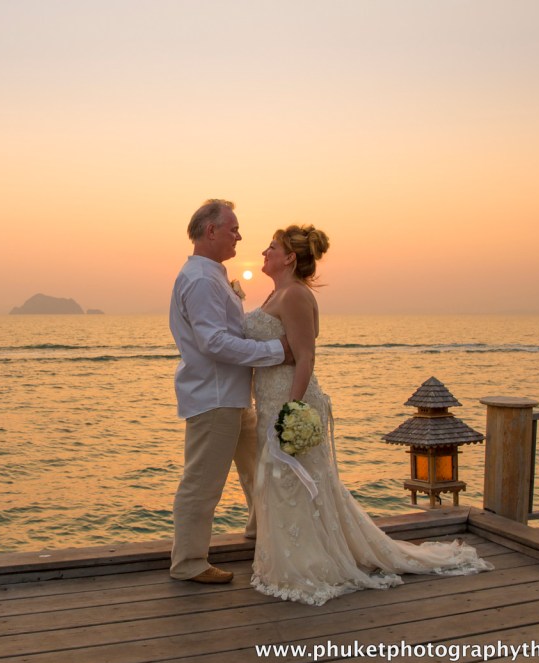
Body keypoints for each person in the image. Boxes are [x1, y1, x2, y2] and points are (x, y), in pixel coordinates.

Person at [244, 224, 493, 605]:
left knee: (294, 481)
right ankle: (293, 556)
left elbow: (306, 355)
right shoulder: (276, 292)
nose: (264, 252)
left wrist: (292, 409)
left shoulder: (294, 294)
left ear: (290, 257)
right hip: (270, 401)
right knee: (283, 483)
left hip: (287, 403)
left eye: (272, 247)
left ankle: (309, 564)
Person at [168, 199, 292, 584]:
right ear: (211, 231)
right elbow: (214, 343)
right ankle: (188, 563)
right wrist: (276, 351)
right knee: (203, 483)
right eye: (233, 228)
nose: (239, 234)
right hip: (215, 397)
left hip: (235, 398)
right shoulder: (203, 280)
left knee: (259, 469)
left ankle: (259, 534)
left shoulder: (213, 276)